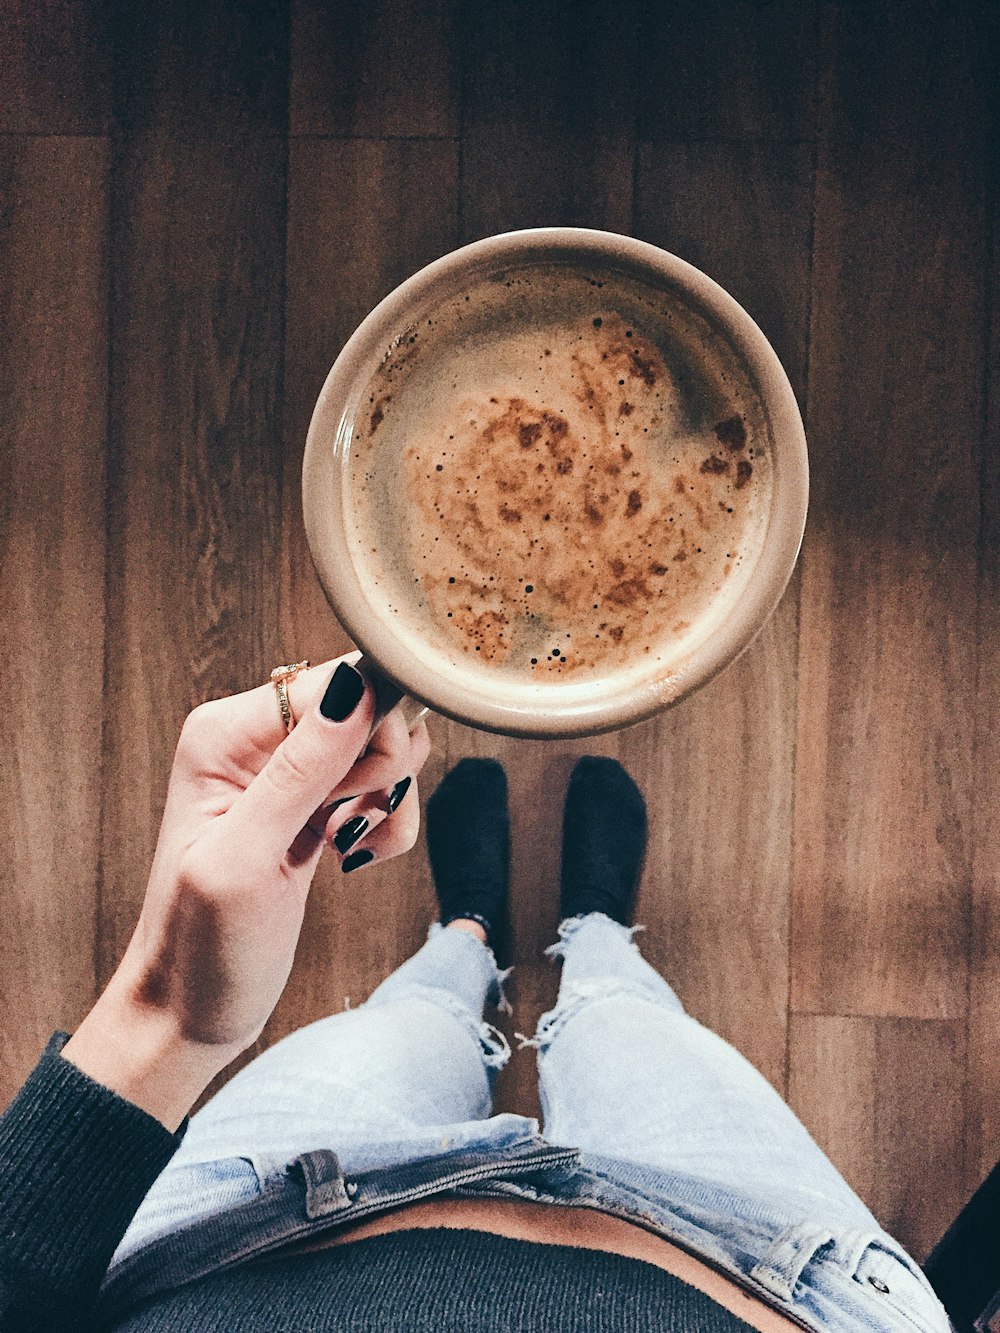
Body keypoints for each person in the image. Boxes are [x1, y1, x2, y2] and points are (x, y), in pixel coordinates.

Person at [0, 656, 951, 1332]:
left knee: (414, 1019)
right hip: (782, 1272)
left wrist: (168, 1016)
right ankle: (594, 932)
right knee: (625, 1022)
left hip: (250, 1219)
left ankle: (469, 933)